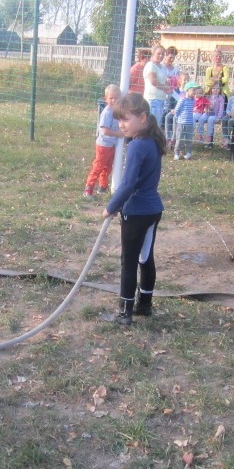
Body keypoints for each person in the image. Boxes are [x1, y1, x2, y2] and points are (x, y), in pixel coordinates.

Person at [100, 93, 165, 326]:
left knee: (129, 261)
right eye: (118, 121)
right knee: (145, 258)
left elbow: (128, 184)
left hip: (136, 212)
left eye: (125, 120)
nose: (121, 125)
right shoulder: (152, 142)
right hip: (153, 210)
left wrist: (111, 206)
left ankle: (124, 312)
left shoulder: (137, 145)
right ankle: (144, 305)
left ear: (143, 118)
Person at [84, 84, 124, 197]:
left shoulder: (117, 111)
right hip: (104, 144)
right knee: (98, 166)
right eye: (111, 98)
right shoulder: (107, 112)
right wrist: (118, 134)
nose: (114, 100)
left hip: (112, 145)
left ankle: (103, 186)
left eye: (116, 98)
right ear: (106, 99)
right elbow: (105, 131)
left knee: (107, 166)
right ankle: (89, 187)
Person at [143, 44, 172, 127]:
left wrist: (168, 84)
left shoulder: (162, 67)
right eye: (158, 53)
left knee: (157, 124)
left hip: (161, 99)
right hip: (152, 99)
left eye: (163, 54)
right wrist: (164, 88)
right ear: (153, 53)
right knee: (152, 124)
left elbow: (164, 80)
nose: (161, 56)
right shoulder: (150, 65)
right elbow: (153, 81)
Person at [173, 81, 200, 160]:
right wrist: (179, 119)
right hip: (181, 123)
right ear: (187, 90)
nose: (194, 92)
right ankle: (177, 153)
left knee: (188, 139)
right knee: (179, 139)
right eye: (193, 90)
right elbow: (177, 111)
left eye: (195, 90)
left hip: (190, 123)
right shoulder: (182, 100)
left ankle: (188, 153)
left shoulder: (193, 101)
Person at [194, 82, 224, 147]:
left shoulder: (220, 98)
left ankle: (209, 137)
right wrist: (205, 109)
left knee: (210, 120)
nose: (216, 90)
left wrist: (219, 117)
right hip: (208, 113)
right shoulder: (208, 96)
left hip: (215, 115)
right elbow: (205, 105)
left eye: (217, 89)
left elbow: (221, 109)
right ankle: (200, 135)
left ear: (220, 89)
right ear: (211, 89)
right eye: (214, 88)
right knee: (201, 119)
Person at [164, 72, 189, 148]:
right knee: (168, 116)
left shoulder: (188, 92)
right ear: (180, 81)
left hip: (184, 112)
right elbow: (171, 102)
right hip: (175, 110)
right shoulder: (175, 91)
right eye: (184, 80)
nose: (186, 82)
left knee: (175, 118)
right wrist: (172, 109)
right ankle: (168, 138)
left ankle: (174, 139)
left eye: (187, 80)